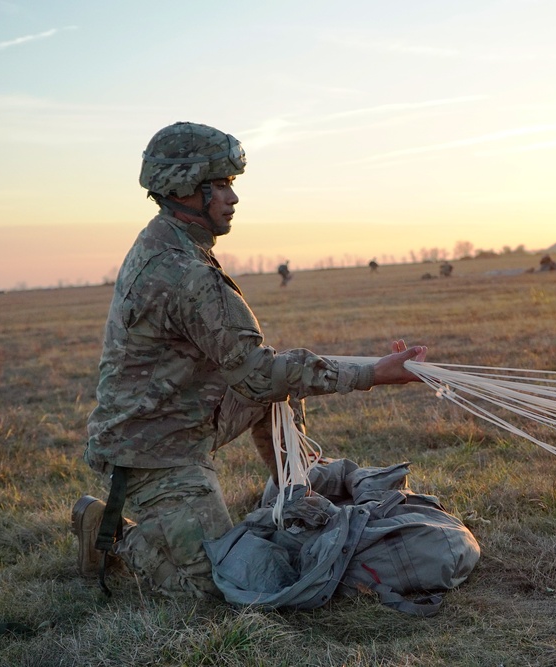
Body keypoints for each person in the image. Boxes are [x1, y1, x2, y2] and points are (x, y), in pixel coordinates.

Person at [72, 121, 427, 599]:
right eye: (220, 186)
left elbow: (255, 374)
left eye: (230, 185)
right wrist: (372, 375)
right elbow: (260, 375)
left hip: (185, 419)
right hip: (151, 452)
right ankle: (111, 536)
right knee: (217, 588)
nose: (232, 198)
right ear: (185, 188)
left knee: (274, 388)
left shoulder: (169, 242)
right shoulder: (184, 273)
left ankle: (296, 494)